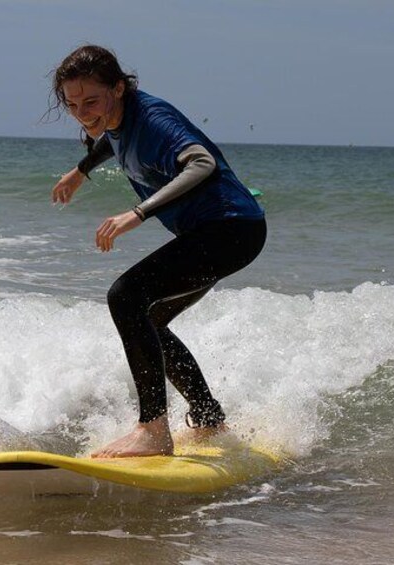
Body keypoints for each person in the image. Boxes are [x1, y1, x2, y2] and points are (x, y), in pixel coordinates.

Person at [48, 45, 266, 458]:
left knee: (125, 296)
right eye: (72, 104)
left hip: (229, 228)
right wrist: (80, 171)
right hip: (221, 231)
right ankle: (208, 419)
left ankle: (153, 430)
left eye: (91, 101)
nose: (82, 112)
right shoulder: (117, 117)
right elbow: (111, 139)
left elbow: (201, 163)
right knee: (149, 319)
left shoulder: (153, 118)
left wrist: (139, 213)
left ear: (118, 88)